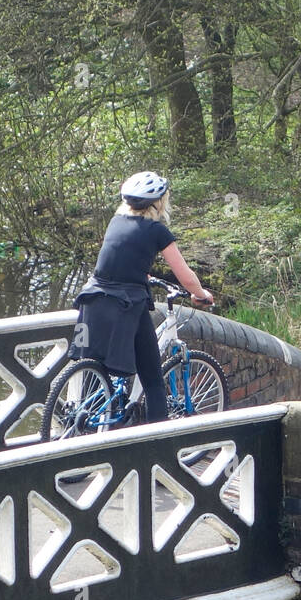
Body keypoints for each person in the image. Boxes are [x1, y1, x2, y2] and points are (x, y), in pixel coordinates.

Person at [70, 171, 214, 423]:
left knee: (95, 363)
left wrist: (142, 275)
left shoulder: (115, 221)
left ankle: (87, 423)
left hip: (93, 300)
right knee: (153, 379)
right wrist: (201, 294)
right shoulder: (157, 230)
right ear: (159, 202)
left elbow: (120, 258)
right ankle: (157, 440)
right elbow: (185, 276)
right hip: (127, 306)